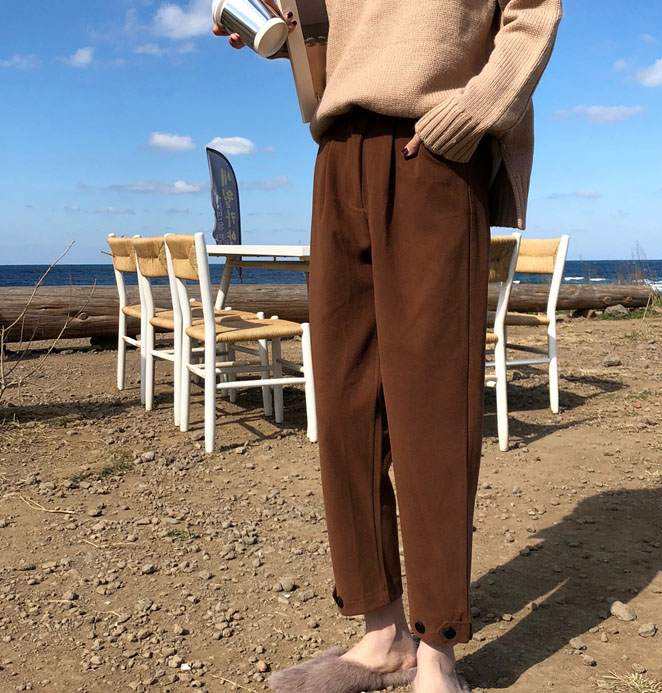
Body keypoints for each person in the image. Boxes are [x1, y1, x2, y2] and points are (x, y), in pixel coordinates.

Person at [215, 1, 562, 690]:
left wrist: (474, 111)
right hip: (336, 148)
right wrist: (282, 32)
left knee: (432, 407)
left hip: (433, 147)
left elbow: (532, 11)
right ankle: (383, 634)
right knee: (345, 400)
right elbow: (342, 33)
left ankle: (436, 651)